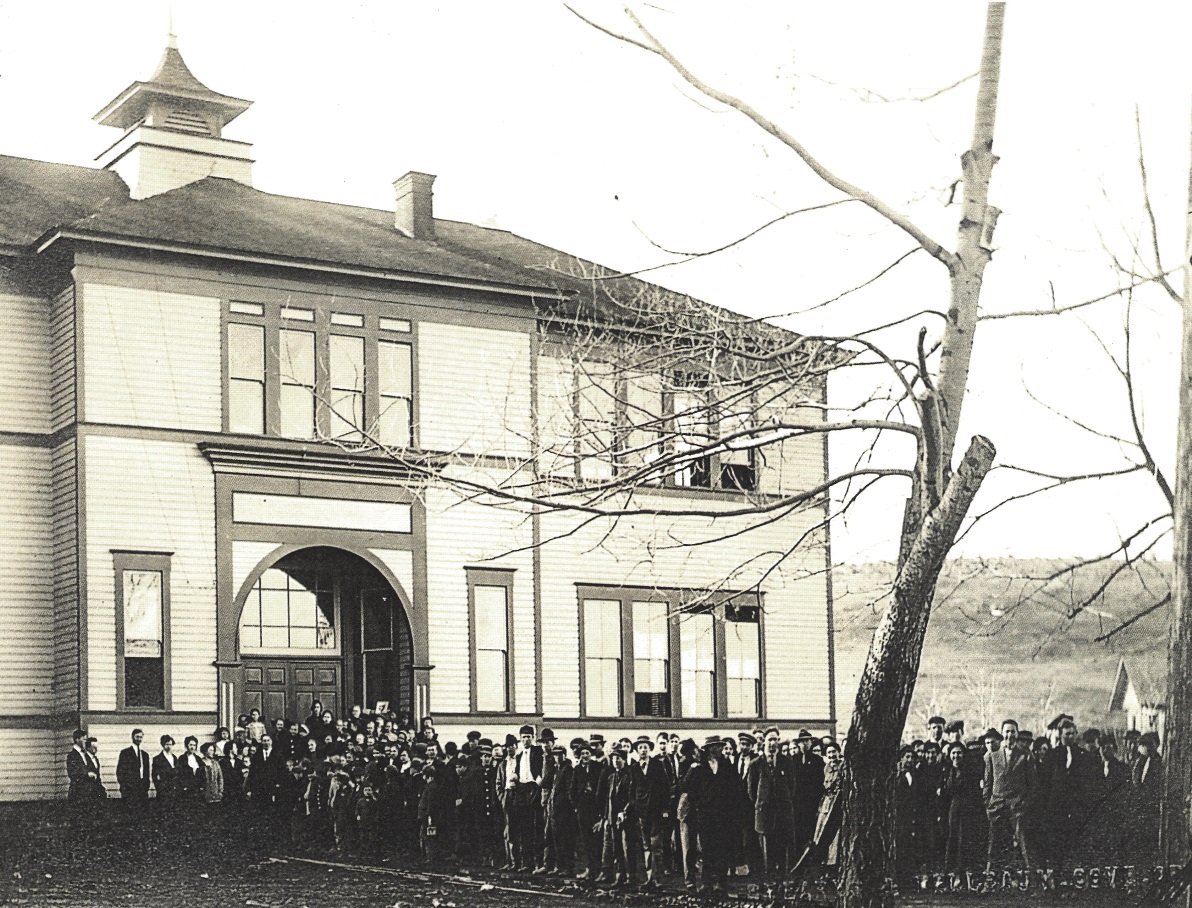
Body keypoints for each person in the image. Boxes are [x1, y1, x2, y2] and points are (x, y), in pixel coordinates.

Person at [983, 722, 1034, 872]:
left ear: (1017, 734)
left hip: (1017, 808)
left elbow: (1032, 785)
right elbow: (988, 782)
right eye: (1006, 732)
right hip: (997, 806)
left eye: (1012, 732)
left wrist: (1024, 804)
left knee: (1024, 845)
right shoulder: (992, 756)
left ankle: (1031, 880)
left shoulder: (1025, 755)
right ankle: (991, 878)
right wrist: (988, 804)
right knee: (994, 845)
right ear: (1002, 733)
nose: (1009, 735)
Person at [116, 728, 152, 807]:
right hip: (129, 791)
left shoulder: (145, 755)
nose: (139, 739)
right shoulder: (125, 753)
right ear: (132, 737)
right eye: (137, 737)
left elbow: (147, 773)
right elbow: (120, 772)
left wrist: (146, 786)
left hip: (142, 791)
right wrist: (126, 787)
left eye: (140, 737)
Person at [67, 728, 93, 803]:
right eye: (84, 739)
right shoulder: (72, 756)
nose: (86, 742)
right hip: (77, 793)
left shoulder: (85, 755)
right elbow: (72, 773)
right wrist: (87, 774)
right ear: (77, 740)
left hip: (87, 794)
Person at [177, 735, 206, 803]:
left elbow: (203, 774)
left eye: (194, 745)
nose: (192, 747)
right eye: (190, 745)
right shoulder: (182, 759)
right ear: (187, 745)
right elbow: (179, 774)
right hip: (186, 791)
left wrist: (202, 786)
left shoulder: (198, 759)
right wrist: (183, 787)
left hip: (197, 790)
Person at [152, 735, 179, 806]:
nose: (169, 746)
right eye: (167, 744)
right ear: (163, 745)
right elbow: (154, 775)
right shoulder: (157, 759)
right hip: (163, 791)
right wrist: (159, 788)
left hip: (174, 790)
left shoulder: (174, 758)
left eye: (170, 744)